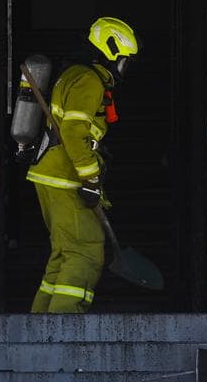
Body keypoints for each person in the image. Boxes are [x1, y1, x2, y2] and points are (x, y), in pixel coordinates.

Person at [27, 16, 138, 313]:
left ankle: (39, 328)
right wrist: (90, 180)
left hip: (51, 175)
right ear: (111, 50)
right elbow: (75, 133)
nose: (124, 69)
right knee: (86, 252)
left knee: (63, 256)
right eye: (125, 61)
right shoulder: (89, 80)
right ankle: (64, 330)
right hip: (67, 179)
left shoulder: (74, 74)